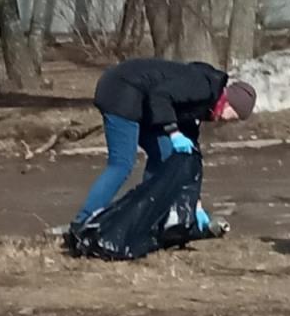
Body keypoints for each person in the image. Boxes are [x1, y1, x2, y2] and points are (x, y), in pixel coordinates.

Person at [68, 58, 257, 237]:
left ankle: (148, 216)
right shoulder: (203, 87)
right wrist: (174, 133)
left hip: (140, 102)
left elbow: (190, 157)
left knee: (164, 155)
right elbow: (160, 95)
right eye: (236, 114)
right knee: (122, 163)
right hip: (121, 91)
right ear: (230, 102)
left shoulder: (204, 105)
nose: (231, 119)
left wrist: (195, 204)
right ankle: (82, 222)